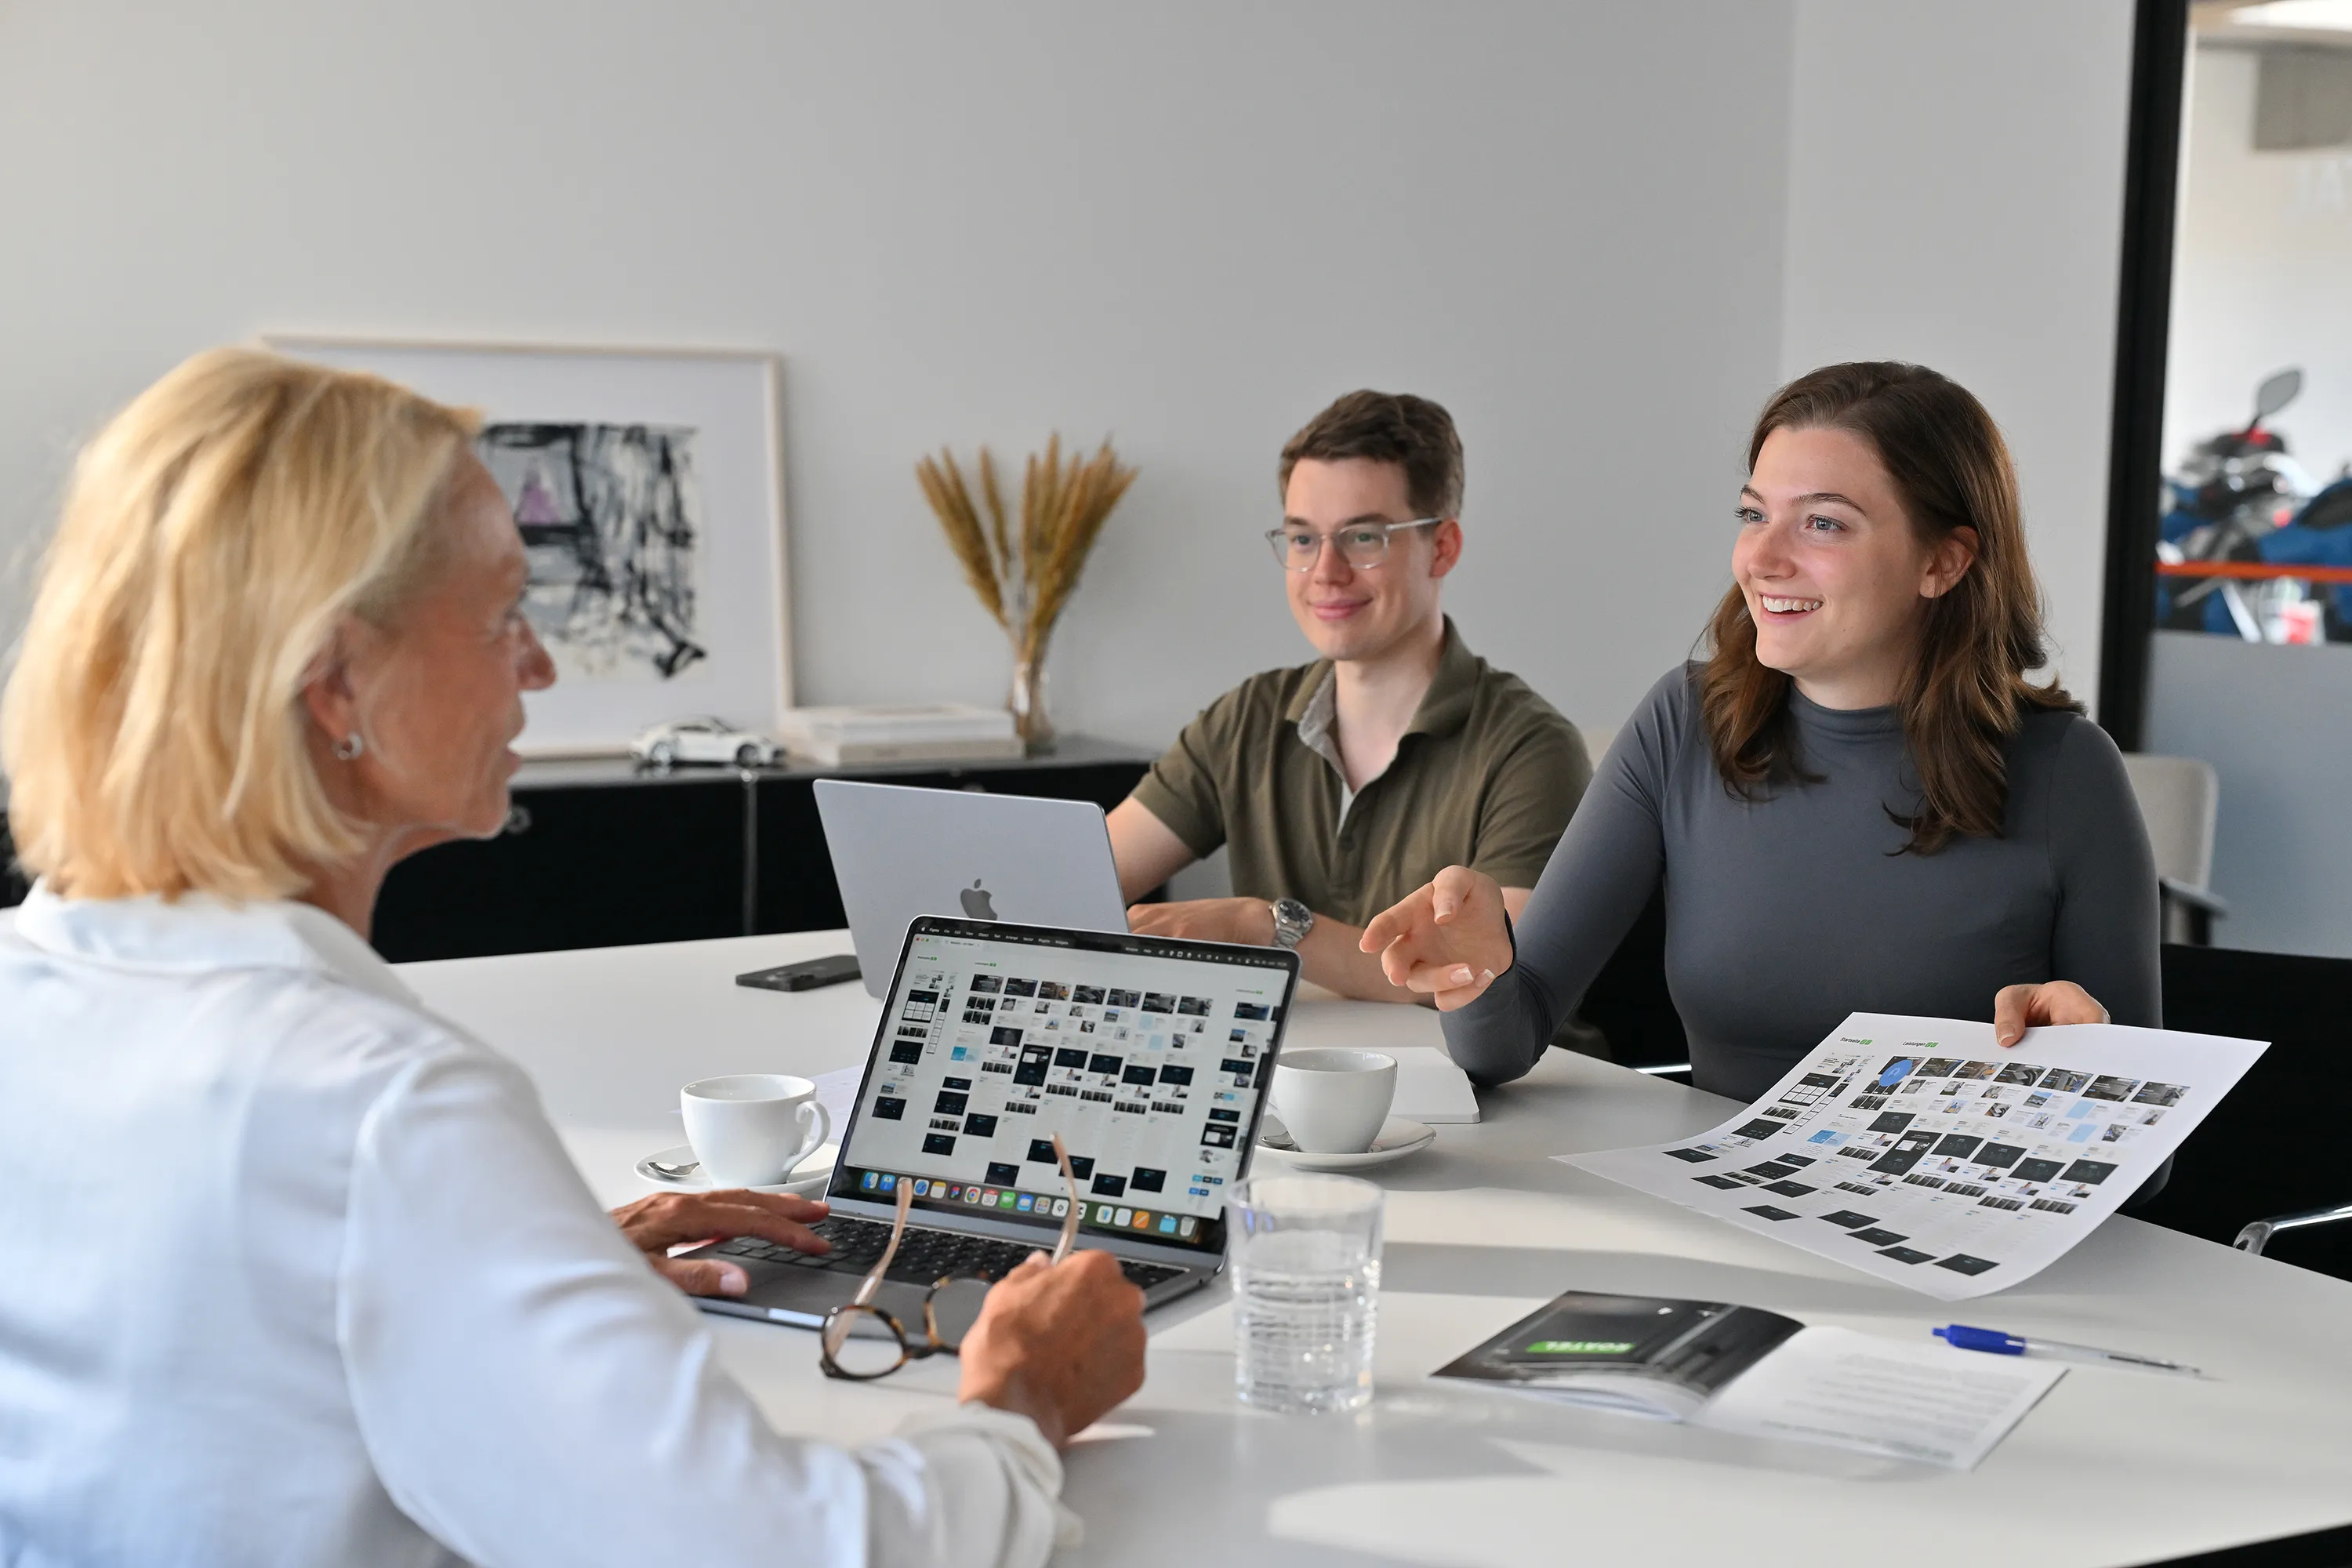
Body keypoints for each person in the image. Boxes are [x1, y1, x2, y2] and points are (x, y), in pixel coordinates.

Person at [0, 349, 1145, 1568]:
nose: (540, 664)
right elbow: (778, 1551)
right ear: (336, 682)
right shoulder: (389, 1109)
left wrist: (525, 1268)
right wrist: (1020, 1402)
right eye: (504, 614)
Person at [1362, 361, 2160, 1102]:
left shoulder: (2068, 773)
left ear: (1943, 563)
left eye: (1823, 523)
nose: (1762, 558)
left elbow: (2151, 1160)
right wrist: (1478, 973)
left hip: (1941, 1206)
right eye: (1754, 514)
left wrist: (2085, 1070)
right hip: (1709, 1194)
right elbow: (1506, 1043)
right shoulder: (1681, 723)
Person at [1109, 390, 1592, 1002]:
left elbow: (1485, 982)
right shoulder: (1245, 720)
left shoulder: (1533, 749)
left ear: (1442, 547)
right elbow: (1080, 882)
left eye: (1363, 537)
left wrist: (1265, 928)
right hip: (1295, 1062)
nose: (1325, 572)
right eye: (1302, 539)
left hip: (1485, 1069)